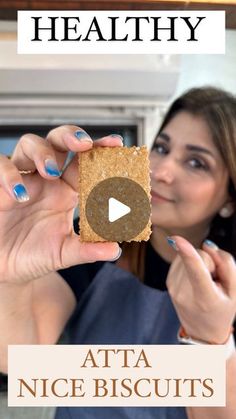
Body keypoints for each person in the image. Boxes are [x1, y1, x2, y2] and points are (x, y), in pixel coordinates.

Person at [0, 86, 235, 419]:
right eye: (162, 148)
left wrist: (211, 343)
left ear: (229, 198)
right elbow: (19, 357)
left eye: (196, 162)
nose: (160, 171)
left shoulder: (230, 287)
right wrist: (9, 271)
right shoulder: (94, 241)